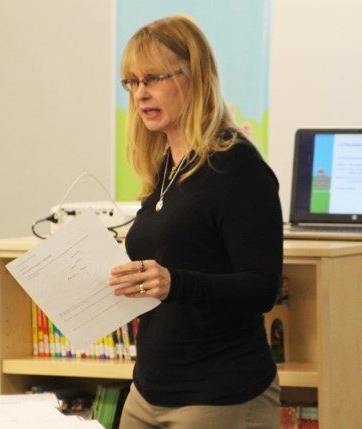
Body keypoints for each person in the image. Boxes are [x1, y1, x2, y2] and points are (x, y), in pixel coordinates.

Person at [108, 14, 283, 429]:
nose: (140, 94)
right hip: (147, 393)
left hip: (219, 397)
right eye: (131, 83)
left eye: (153, 78)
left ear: (195, 76)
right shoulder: (165, 167)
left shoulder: (236, 167)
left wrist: (175, 282)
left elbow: (262, 287)